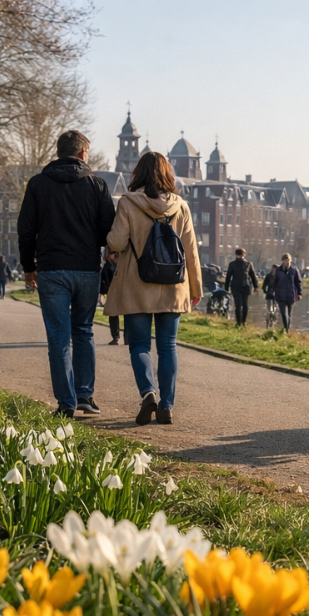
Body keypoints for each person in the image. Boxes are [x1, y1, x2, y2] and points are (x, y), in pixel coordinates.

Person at [18, 130, 116, 419]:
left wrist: (28, 267)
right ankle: (85, 395)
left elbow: (26, 229)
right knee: (83, 331)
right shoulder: (97, 186)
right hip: (86, 268)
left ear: (59, 152)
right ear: (83, 153)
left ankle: (66, 402)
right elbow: (107, 231)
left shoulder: (37, 184)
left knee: (58, 337)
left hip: (51, 269)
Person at [104, 150, 201, 426]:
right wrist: (196, 288)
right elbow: (191, 251)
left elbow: (118, 243)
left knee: (139, 345)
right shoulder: (181, 206)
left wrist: (110, 237)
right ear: (168, 174)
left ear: (138, 173)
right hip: (174, 285)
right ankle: (167, 407)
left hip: (137, 285)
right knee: (168, 346)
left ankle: (149, 393)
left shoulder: (128, 203)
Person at [224, 248, 258, 327]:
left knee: (245, 305)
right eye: (238, 255)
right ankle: (239, 322)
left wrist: (256, 286)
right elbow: (228, 276)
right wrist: (226, 287)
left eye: (241, 255)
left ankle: (243, 322)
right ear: (236, 255)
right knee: (238, 304)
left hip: (245, 286)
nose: (240, 256)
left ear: (244, 255)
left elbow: (253, 275)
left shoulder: (248, 264)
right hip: (236, 286)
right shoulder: (232, 264)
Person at [271, 253, 302, 333]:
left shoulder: (294, 270)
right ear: (282, 261)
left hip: (291, 294)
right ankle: (286, 329)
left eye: (288, 260)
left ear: (291, 261)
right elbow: (275, 281)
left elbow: (298, 282)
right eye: (285, 260)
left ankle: (287, 328)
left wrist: (299, 293)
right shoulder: (278, 270)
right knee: (283, 313)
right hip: (280, 295)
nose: (287, 262)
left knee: (289, 314)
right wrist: (273, 291)